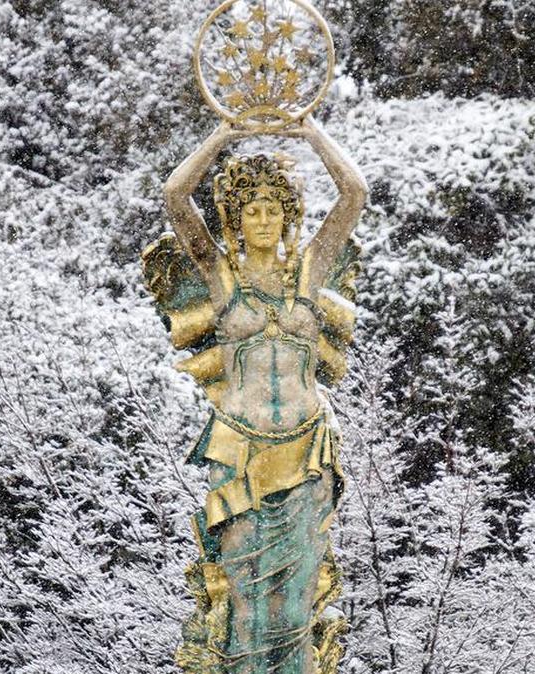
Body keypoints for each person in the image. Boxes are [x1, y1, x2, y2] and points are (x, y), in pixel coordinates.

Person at [160, 116, 367, 674]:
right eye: (251, 210)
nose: (263, 220)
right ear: (234, 219)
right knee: (245, 598)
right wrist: (224, 135)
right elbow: (176, 197)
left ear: (288, 216)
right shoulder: (222, 278)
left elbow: (354, 195)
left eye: (273, 209)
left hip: (307, 450)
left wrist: (313, 132)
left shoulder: (309, 271)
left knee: (298, 603)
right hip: (241, 450)